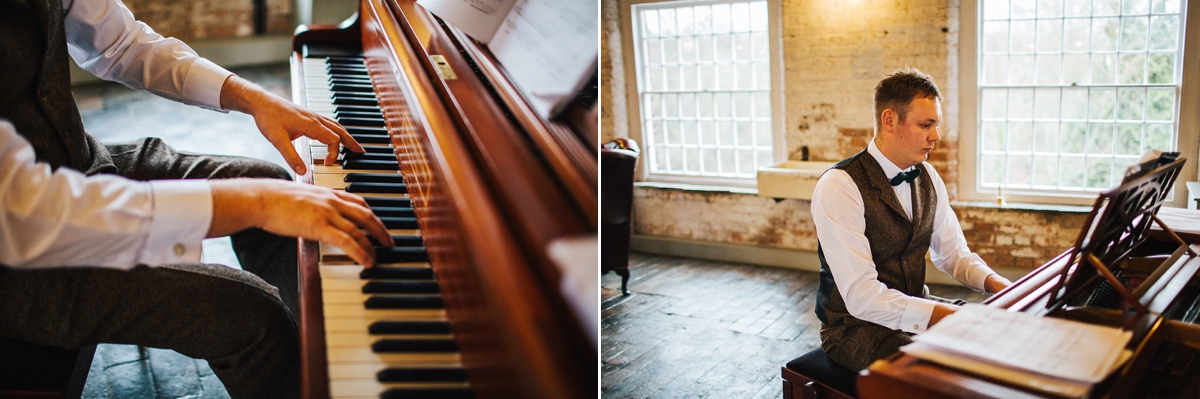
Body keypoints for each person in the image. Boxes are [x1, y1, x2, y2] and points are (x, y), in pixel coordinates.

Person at [0, 0, 386, 396]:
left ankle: (327, 362)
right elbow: (26, 213)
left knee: (266, 177)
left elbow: (120, 42)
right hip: (20, 261)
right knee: (250, 315)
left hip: (76, 162)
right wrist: (254, 203)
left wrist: (253, 98)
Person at [810, 68, 1012, 371]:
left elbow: (953, 254)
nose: (937, 136)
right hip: (856, 328)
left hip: (915, 308)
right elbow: (861, 297)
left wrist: (997, 284)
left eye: (936, 124)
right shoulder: (840, 186)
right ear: (889, 120)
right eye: (925, 124)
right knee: (941, 376)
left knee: (995, 340)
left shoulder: (928, 175)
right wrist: (945, 317)